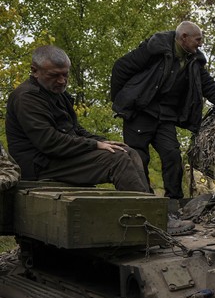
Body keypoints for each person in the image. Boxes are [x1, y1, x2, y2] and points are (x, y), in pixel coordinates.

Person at [111, 21, 215, 206]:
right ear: (184, 37)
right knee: (138, 158)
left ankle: (174, 202)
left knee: (172, 155)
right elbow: (121, 67)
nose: (200, 44)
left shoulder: (194, 61)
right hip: (140, 113)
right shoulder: (154, 49)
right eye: (197, 40)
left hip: (165, 117)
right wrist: (124, 99)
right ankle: (144, 200)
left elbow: (209, 87)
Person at [5, 45, 149, 193]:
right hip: (40, 166)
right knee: (118, 160)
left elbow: (74, 129)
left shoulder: (55, 93)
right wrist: (94, 145)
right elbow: (49, 142)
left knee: (127, 151)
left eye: (65, 75)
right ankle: (144, 211)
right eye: (54, 75)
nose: (62, 81)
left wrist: (101, 141)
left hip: (57, 158)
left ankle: (150, 205)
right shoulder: (27, 97)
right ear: (35, 71)